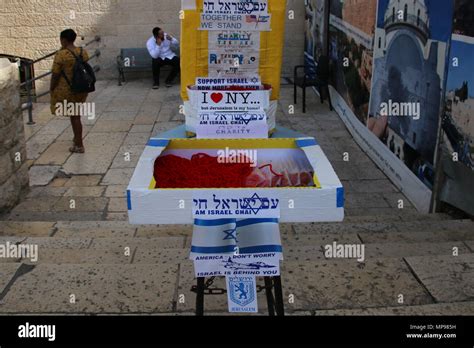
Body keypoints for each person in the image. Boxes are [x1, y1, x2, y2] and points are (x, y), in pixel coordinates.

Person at [50, 29, 89, 154]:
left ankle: (79, 144)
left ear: (64, 40)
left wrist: (51, 88)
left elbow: (55, 74)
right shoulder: (82, 52)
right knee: (76, 115)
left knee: (75, 117)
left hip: (68, 89)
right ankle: (76, 138)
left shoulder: (61, 55)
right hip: (82, 88)